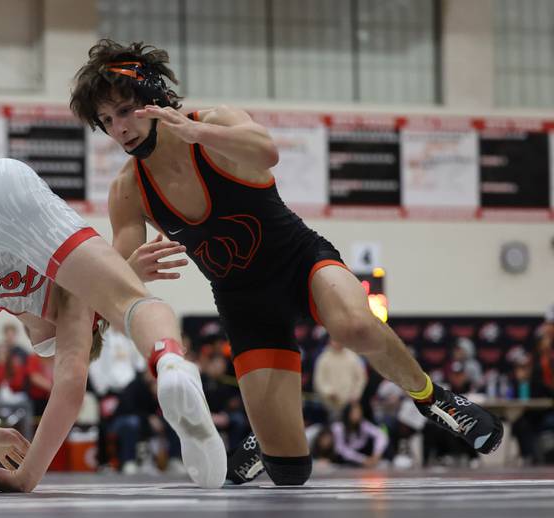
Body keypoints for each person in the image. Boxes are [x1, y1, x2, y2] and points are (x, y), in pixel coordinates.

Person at [69, 39, 503, 486]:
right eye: (106, 121)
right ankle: (268, 436)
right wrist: (130, 273)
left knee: (353, 326)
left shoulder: (215, 122)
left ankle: (435, 399)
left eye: (124, 111)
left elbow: (266, 151)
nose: (118, 129)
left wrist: (198, 134)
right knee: (290, 473)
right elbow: (116, 267)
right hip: (244, 303)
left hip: (301, 262)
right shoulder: (129, 189)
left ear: (153, 97)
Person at [0, 157, 225, 496]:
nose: (47, 345)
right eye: (53, 346)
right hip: (9, 189)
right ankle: (170, 361)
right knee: (132, 302)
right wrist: (25, 476)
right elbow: (69, 390)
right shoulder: (71, 302)